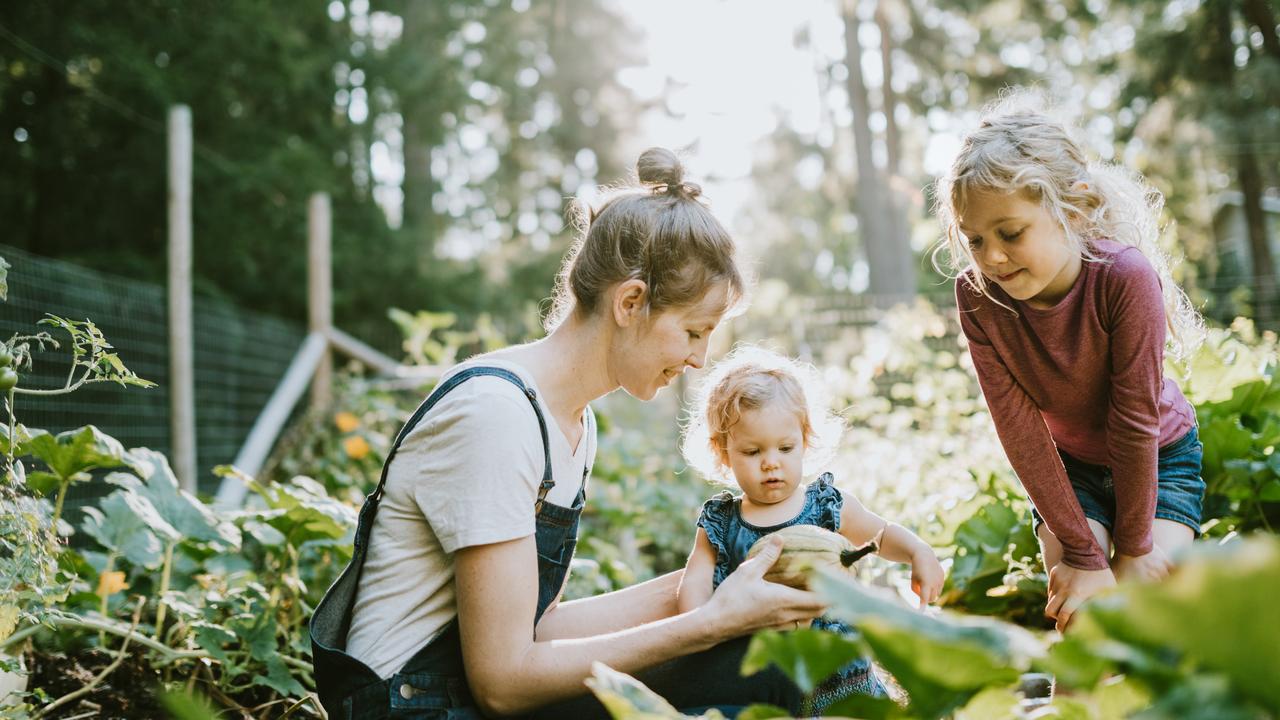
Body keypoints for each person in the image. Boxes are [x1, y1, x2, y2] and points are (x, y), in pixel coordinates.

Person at [310, 147, 828, 719]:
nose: (700, 359)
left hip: (463, 694)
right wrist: (707, 625)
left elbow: (541, 628)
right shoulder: (498, 415)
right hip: (413, 709)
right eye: (692, 332)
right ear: (630, 302)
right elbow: (503, 683)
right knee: (768, 670)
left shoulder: (571, 422)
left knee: (779, 650)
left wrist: (721, 580)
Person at [933, 94, 1207, 633]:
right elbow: (1020, 431)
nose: (991, 257)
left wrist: (1131, 549)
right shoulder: (979, 297)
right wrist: (1084, 555)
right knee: (1084, 617)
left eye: (1010, 233)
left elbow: (1134, 422)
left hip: (1160, 457)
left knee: (1144, 614)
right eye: (975, 240)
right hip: (1069, 472)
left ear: (1074, 209)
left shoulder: (1123, 278)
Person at [676, 346, 945, 714]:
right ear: (723, 453)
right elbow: (694, 583)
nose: (771, 463)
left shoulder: (826, 507)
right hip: (771, 680)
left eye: (786, 448)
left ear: (805, 440)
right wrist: (701, 626)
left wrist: (917, 551)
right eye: (753, 452)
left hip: (845, 678)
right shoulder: (721, 524)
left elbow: (879, 534)